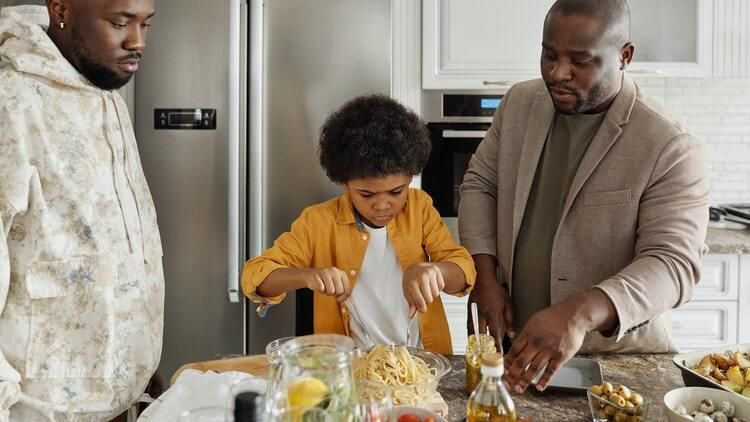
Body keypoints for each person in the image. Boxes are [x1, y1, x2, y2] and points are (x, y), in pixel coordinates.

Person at [458, 0, 709, 394]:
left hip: (616, 365)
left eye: (581, 60)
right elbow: (480, 184)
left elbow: (673, 263)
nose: (558, 73)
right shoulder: (518, 104)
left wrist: (579, 313)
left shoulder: (668, 145)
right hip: (518, 349)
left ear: (624, 56)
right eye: (549, 55)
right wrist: (485, 276)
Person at [0, 1, 164, 420]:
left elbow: (111, 240)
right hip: (39, 409)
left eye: (146, 23)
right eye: (119, 22)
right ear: (62, 9)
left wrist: (139, 358)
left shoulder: (103, 88)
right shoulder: (12, 100)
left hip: (117, 399)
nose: (137, 41)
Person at [242, 95, 476, 355]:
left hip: (420, 361)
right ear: (344, 182)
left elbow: (463, 270)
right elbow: (255, 276)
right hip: (347, 366)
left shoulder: (419, 208)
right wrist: (307, 276)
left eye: (396, 192)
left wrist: (436, 272)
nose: (382, 205)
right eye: (366, 194)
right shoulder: (318, 221)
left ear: (410, 177)